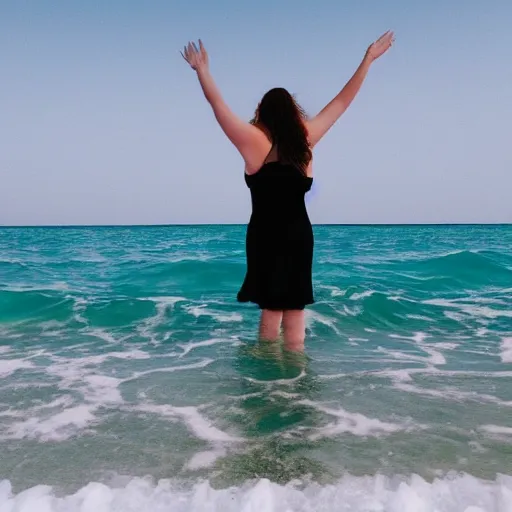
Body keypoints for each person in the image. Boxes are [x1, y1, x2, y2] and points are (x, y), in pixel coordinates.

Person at [181, 31, 394, 352]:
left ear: (263, 113)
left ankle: (267, 388)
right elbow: (342, 102)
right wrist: (368, 59)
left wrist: (202, 71)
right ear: (293, 113)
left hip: (265, 236)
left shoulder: (252, 141)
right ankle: (296, 383)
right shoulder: (305, 141)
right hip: (298, 236)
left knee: (271, 311)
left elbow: (217, 105)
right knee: (295, 312)